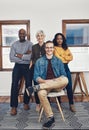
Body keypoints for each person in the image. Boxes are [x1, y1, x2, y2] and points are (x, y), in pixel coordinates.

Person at [33, 41, 68, 129]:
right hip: (45, 85)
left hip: (56, 86)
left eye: (51, 47)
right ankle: (50, 117)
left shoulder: (58, 61)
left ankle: (38, 87)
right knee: (41, 93)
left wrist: (53, 81)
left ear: (53, 48)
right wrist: (45, 82)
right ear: (45, 49)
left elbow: (63, 75)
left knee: (66, 79)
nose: (49, 49)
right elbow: (36, 77)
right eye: (47, 47)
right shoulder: (39, 61)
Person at [9, 28, 33, 116]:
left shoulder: (30, 44)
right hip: (17, 67)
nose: (22, 35)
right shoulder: (14, 44)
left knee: (29, 84)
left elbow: (31, 57)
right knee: (15, 84)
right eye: (20, 33)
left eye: (23, 33)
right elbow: (11, 58)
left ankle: (26, 102)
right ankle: (14, 106)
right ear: (18, 35)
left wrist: (19, 55)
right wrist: (24, 55)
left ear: (26, 34)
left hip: (27, 66)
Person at [53, 33, 76, 112]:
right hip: (57, 68)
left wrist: (63, 57)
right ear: (56, 40)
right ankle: (59, 104)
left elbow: (71, 57)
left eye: (61, 38)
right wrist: (65, 57)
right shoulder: (54, 48)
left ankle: (71, 104)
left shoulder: (66, 48)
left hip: (66, 67)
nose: (59, 40)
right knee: (59, 86)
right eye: (58, 38)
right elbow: (57, 59)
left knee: (69, 86)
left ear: (63, 40)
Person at [29, 30, 46, 112]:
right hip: (35, 68)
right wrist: (30, 65)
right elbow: (32, 58)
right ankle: (38, 104)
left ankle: (45, 103)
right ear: (36, 37)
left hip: (44, 68)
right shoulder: (34, 47)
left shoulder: (47, 46)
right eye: (38, 36)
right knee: (36, 86)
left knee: (44, 85)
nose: (40, 37)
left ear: (44, 36)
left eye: (41, 35)